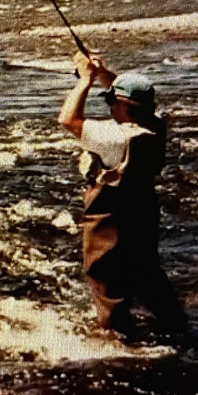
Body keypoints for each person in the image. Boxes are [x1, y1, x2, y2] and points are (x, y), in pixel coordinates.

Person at [58, 52, 186, 335]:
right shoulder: (156, 125)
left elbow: (68, 119)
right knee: (147, 272)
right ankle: (177, 327)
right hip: (143, 210)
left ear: (125, 106)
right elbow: (125, 92)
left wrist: (85, 80)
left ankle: (116, 343)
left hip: (110, 219)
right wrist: (104, 73)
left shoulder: (113, 138)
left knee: (106, 281)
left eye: (111, 101)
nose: (108, 106)